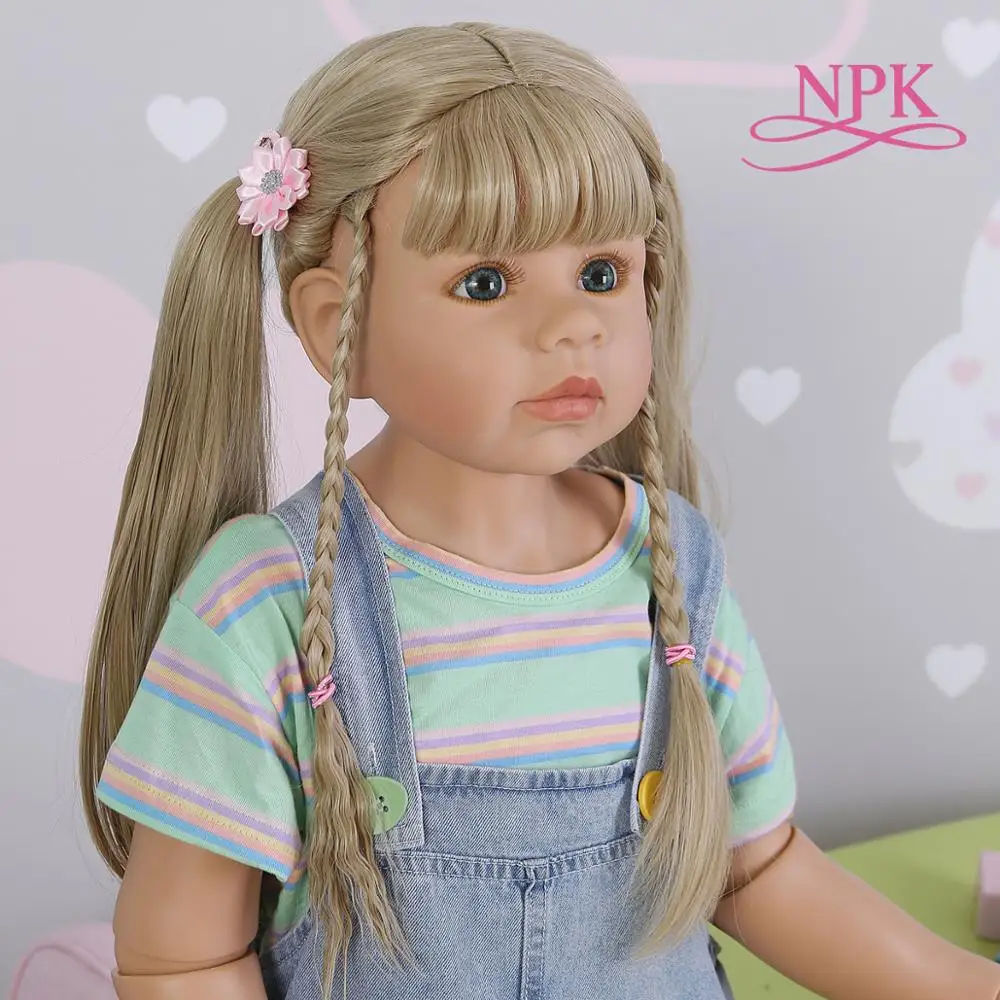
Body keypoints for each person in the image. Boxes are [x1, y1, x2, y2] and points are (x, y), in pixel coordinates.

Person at [78, 21, 1000, 1000]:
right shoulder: (268, 599)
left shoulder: (671, 569)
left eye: (602, 274)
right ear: (335, 323)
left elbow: (757, 869)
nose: (572, 325)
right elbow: (182, 957)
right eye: (485, 284)